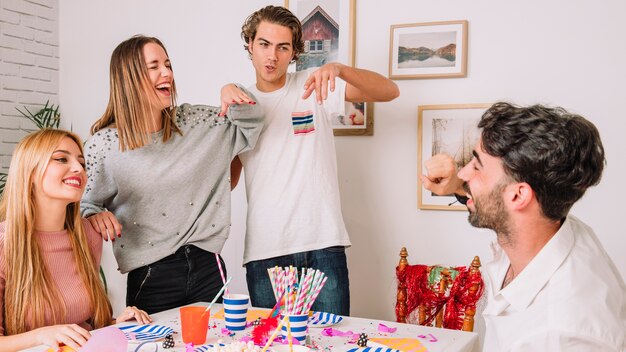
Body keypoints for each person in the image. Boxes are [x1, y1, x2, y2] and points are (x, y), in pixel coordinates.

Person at [230, 5, 400, 315]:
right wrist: (226, 125)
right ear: (250, 45)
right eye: (264, 44)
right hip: (265, 250)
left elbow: (390, 91)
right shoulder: (241, 104)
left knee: (333, 342)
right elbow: (228, 181)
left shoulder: (313, 84)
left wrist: (340, 69)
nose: (272, 56)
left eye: (283, 47)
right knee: (273, 347)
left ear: (294, 52)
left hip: (323, 242)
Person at [80, 35, 263, 314]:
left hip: (208, 267)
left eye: (168, 64)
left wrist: (232, 90)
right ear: (129, 78)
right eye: (154, 66)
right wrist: (94, 214)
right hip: (151, 276)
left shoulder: (194, 122)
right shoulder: (103, 145)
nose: (167, 73)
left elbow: (251, 121)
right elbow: (82, 205)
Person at [423, 102, 625, 351]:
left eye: (477, 166)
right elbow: (498, 201)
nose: (463, 174)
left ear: (518, 196)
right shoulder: (551, 222)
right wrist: (458, 188)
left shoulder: (564, 335)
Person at [0, 129, 150, 352]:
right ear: (29, 172)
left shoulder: (88, 235)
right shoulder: (5, 244)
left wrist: (114, 325)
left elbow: (85, 325)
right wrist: (42, 335)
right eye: (61, 159)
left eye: (82, 163)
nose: (79, 169)